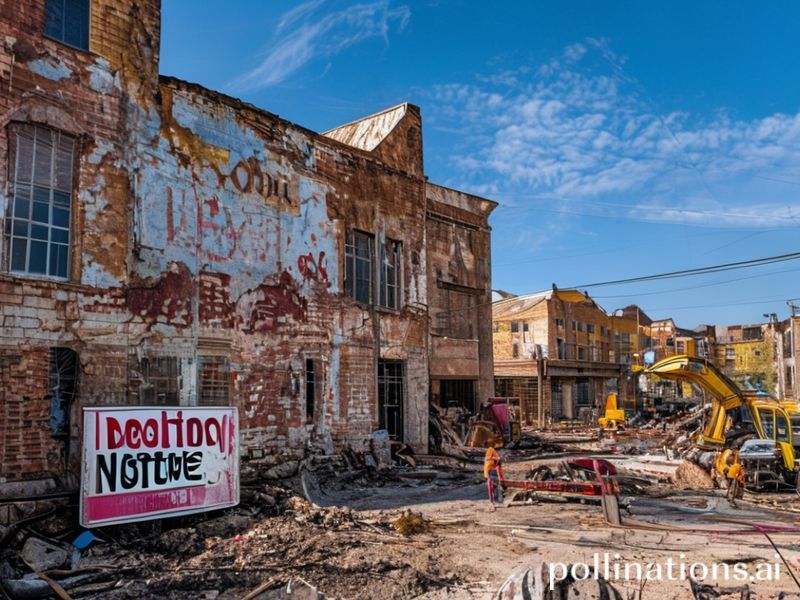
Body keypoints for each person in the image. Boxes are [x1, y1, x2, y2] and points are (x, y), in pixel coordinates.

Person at [484, 444, 506, 509]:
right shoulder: (493, 453)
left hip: (489, 472)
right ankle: (496, 500)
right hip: (491, 472)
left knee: (492, 487)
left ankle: (493, 501)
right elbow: (496, 461)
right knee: (495, 486)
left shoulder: (490, 454)